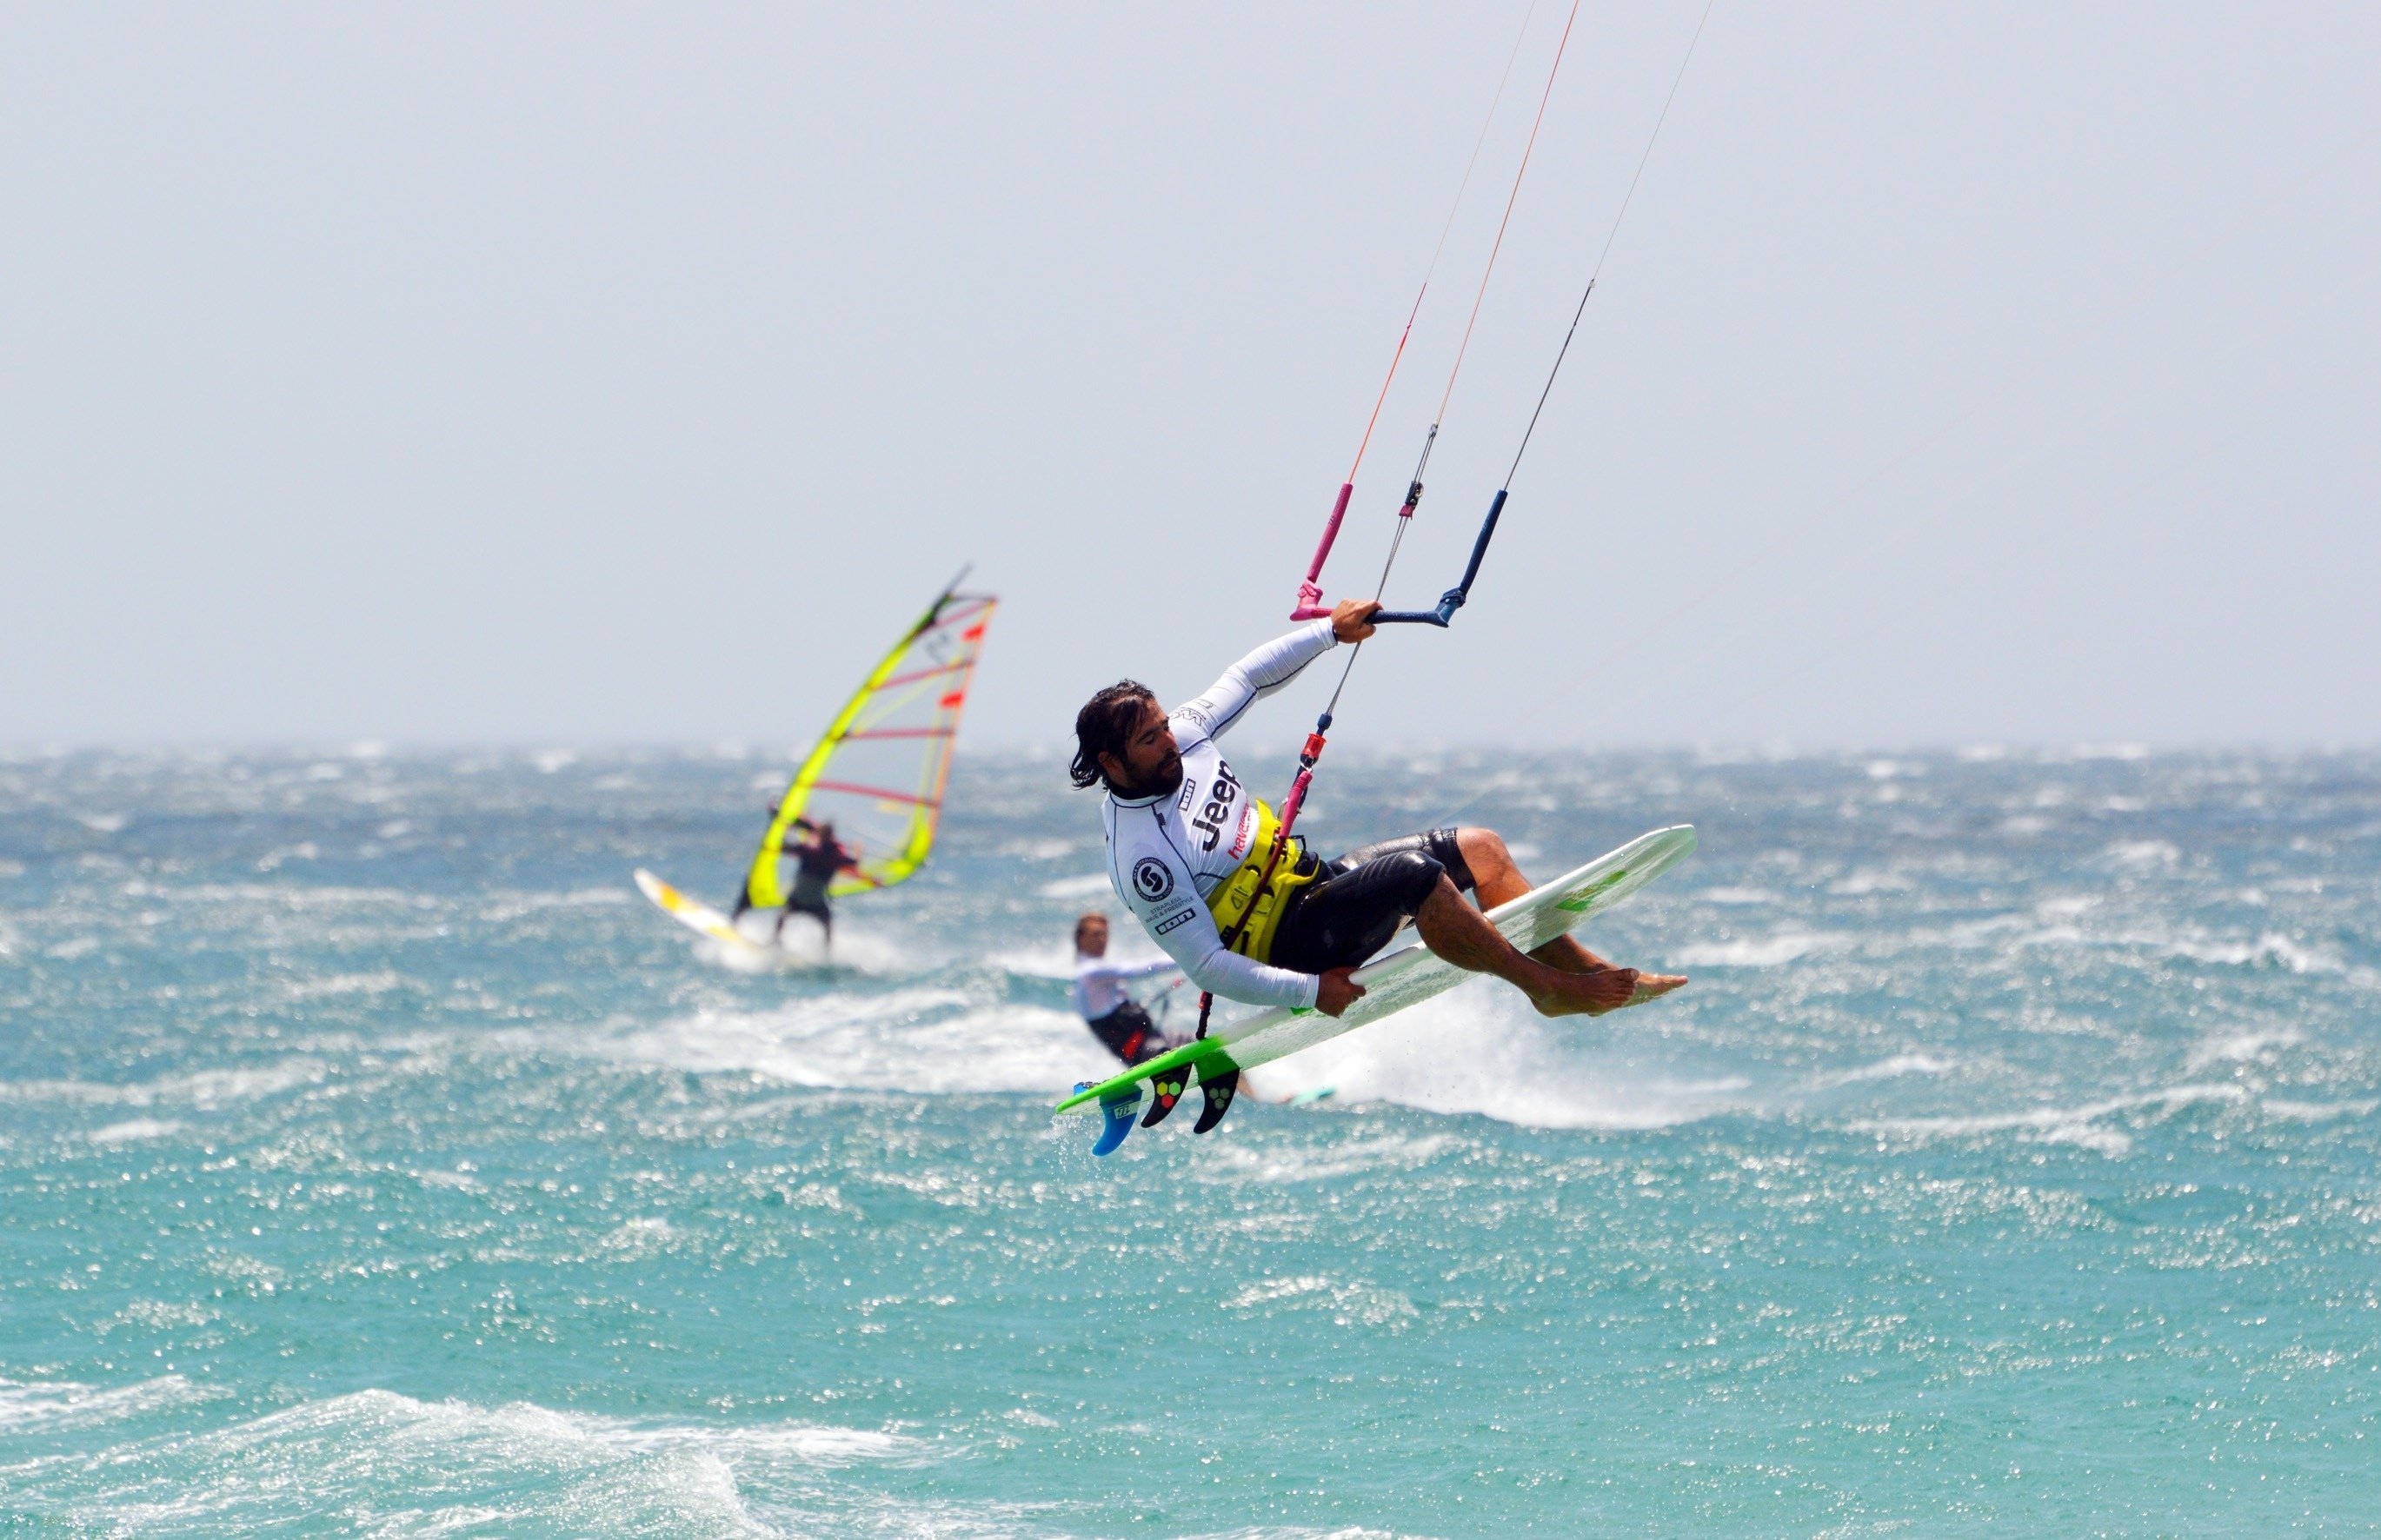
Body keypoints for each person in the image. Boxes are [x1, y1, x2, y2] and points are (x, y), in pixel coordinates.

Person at [1069, 599, 1687, 1020]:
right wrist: (1310, 992)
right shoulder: (1139, 858)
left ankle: (1587, 970)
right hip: (1288, 946)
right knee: (1417, 876)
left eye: (1161, 725)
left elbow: (1248, 677)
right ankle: (1544, 989)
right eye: (1149, 739)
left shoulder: (1187, 736)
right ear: (1113, 764)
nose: (1168, 740)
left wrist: (1329, 631)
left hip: (1312, 887)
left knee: (1480, 848)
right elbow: (1206, 966)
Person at [1071, 912, 1181, 1065]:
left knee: (1193, 1039)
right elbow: (1141, 969)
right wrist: (1187, 958)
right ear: (1080, 939)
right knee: (1170, 1051)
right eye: (1096, 934)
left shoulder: (1097, 973)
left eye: (1105, 934)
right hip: (1142, 1052)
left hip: (1153, 1039)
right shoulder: (1090, 972)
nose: (1102, 940)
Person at [735, 817, 858, 945]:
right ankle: (827, 950)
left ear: (821, 836)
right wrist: (857, 851)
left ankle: (775, 941)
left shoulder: (809, 851)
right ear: (832, 836)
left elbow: (784, 847)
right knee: (827, 924)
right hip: (816, 903)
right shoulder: (834, 857)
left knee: (783, 917)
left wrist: (784, 828)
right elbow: (853, 863)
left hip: (798, 900)